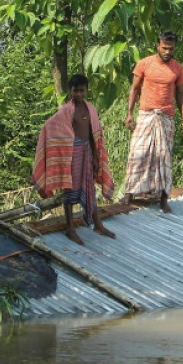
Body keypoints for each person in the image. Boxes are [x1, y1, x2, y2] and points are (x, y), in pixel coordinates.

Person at [32, 74, 116, 245]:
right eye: (75, 91)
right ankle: (70, 228)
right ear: (70, 91)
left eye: (81, 90)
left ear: (86, 90)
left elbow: (94, 134)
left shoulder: (91, 109)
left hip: (87, 151)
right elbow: (49, 126)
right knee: (70, 190)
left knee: (89, 188)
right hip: (71, 154)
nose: (78, 94)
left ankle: (97, 224)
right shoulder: (65, 111)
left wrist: (94, 157)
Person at [121, 31, 183, 213]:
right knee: (138, 152)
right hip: (145, 114)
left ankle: (163, 199)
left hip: (166, 117)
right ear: (158, 46)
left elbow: (180, 94)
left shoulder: (177, 68)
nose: (168, 51)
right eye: (165, 48)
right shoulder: (144, 64)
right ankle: (129, 194)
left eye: (171, 49)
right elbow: (134, 89)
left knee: (164, 157)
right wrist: (129, 113)